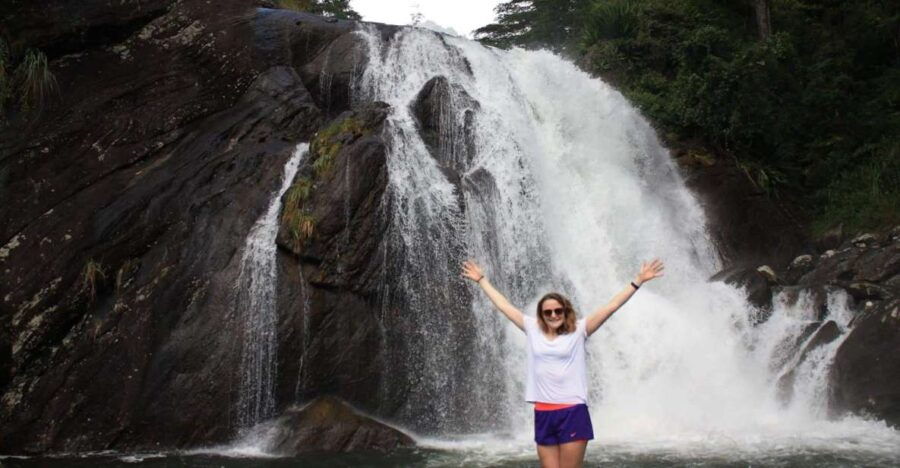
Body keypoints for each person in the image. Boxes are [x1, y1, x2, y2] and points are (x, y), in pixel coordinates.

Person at [461, 259, 665, 468]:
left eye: (558, 311)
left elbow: (611, 306)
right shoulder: (532, 329)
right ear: (541, 314)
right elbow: (504, 305)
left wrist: (638, 280)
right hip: (543, 412)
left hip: (572, 412)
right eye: (547, 312)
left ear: (565, 311)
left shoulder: (579, 330)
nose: (553, 315)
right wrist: (482, 280)